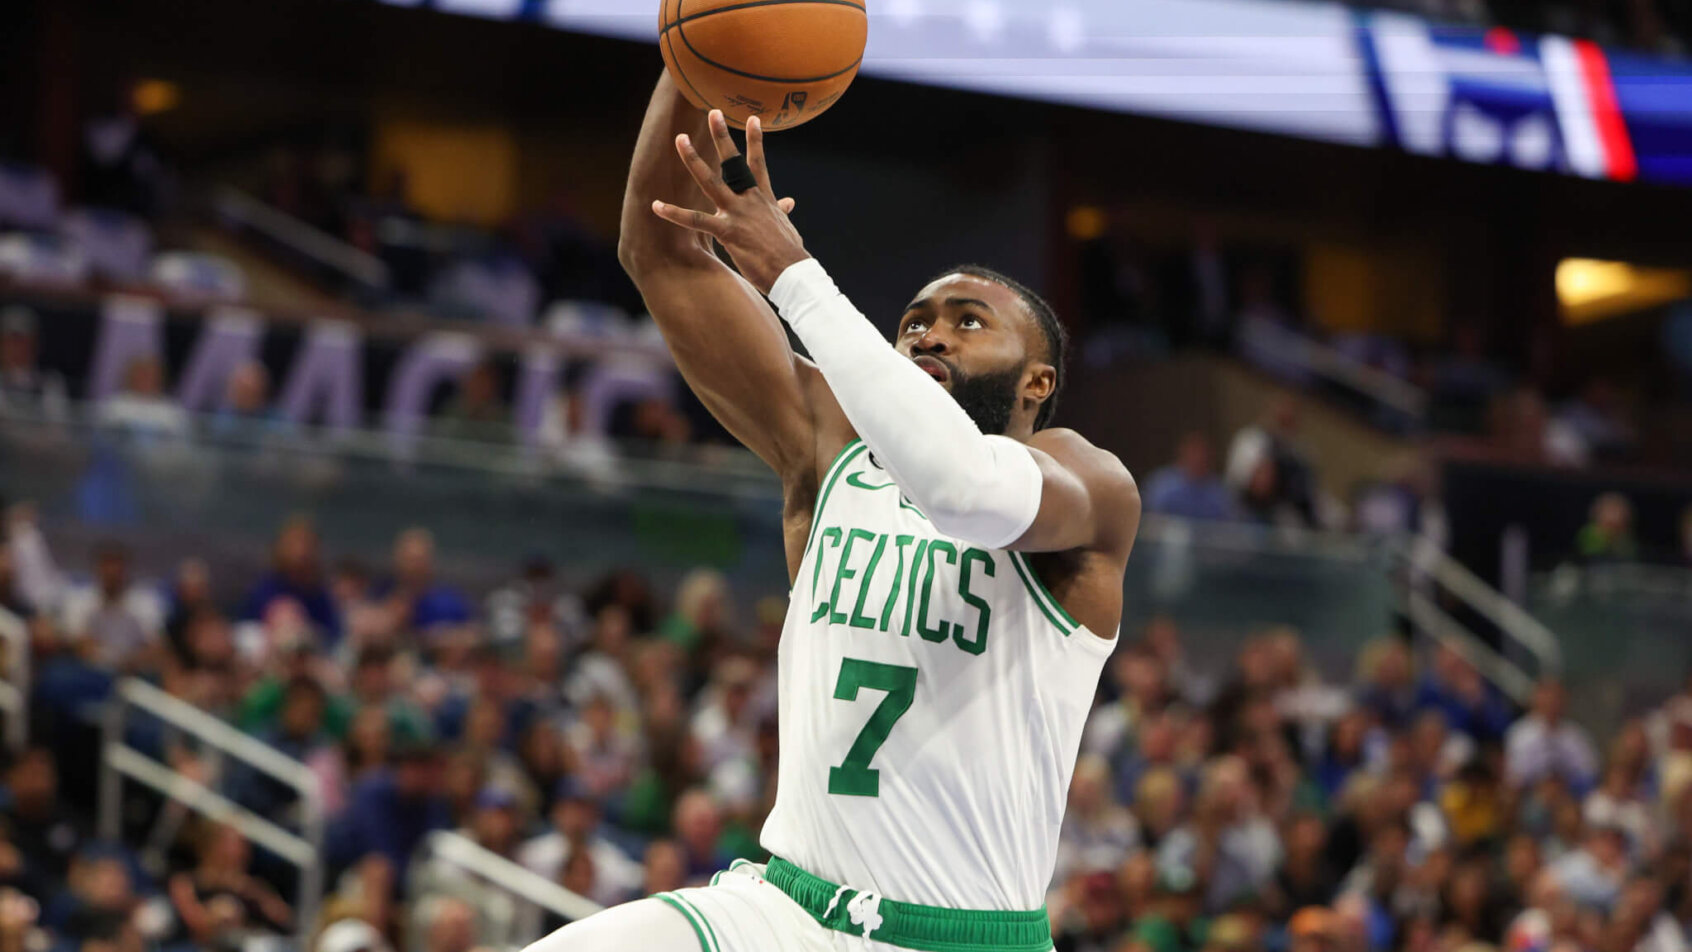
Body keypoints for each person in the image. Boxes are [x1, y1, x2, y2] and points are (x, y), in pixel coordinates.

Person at [537, 79, 1141, 952]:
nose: (930, 335)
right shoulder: (831, 447)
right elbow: (661, 251)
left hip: (955, 936)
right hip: (784, 909)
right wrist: (693, 58)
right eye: (915, 322)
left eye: (967, 323)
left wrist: (793, 276)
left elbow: (961, 488)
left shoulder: (1088, 488)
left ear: (1037, 382)